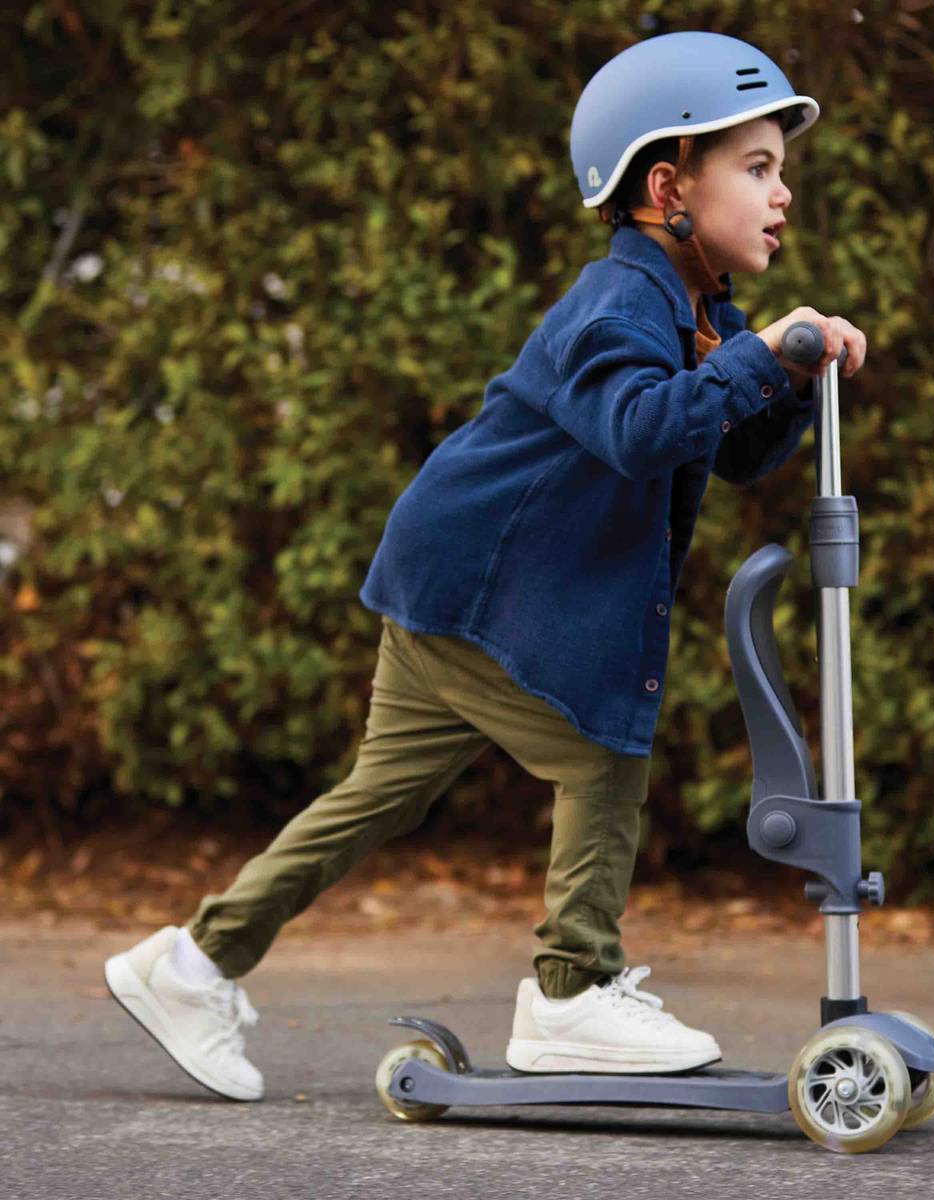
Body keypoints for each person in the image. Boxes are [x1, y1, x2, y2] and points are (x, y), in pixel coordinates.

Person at [104, 30, 867, 1101]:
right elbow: (645, 429)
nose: (784, 193)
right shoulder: (620, 303)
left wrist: (787, 367)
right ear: (667, 185)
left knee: (377, 795)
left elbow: (726, 448)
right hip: (487, 590)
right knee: (603, 747)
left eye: (782, 170)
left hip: (448, 577)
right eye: (757, 167)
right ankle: (570, 993)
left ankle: (189, 962)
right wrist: (758, 353)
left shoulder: (694, 310)